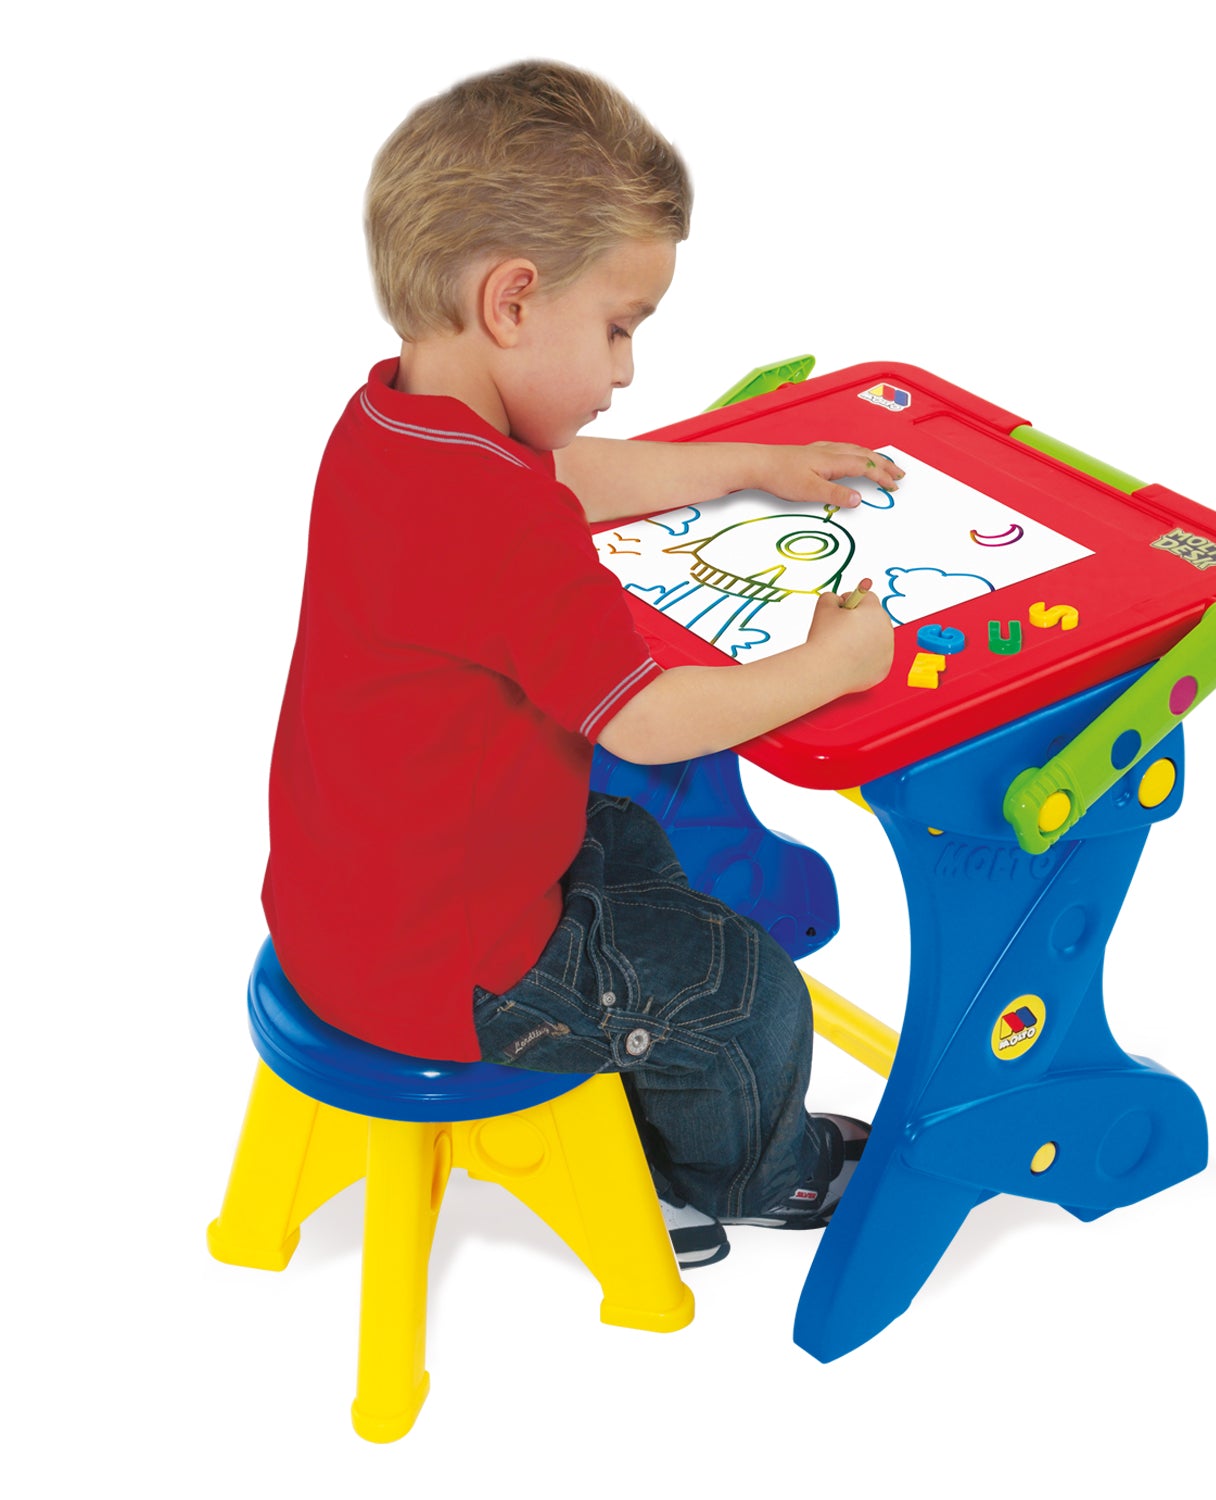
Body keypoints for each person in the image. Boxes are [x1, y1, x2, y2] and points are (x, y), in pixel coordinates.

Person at [262, 59, 898, 1268]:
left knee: (638, 844)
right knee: (743, 984)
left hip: (345, 911)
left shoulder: (389, 426)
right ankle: (761, 1174)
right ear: (512, 302)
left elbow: (564, 477)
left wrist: (744, 465)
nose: (625, 371)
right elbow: (645, 718)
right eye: (619, 327)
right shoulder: (496, 518)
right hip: (452, 976)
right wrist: (835, 663)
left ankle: (634, 1115)